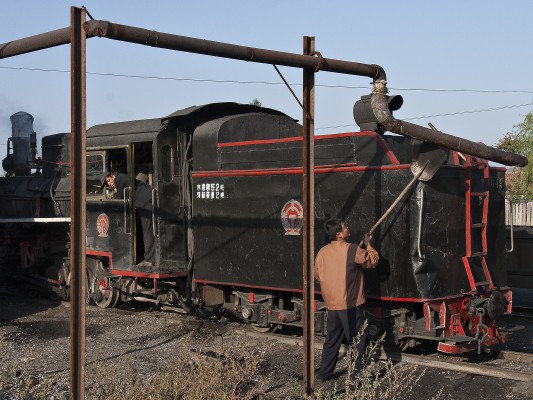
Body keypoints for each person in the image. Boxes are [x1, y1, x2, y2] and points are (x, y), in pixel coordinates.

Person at [314, 218, 379, 381]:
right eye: (345, 227)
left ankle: (324, 373)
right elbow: (372, 261)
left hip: (332, 305)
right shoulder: (352, 249)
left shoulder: (322, 252)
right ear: (339, 235)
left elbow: (316, 275)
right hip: (350, 305)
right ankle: (358, 375)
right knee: (358, 340)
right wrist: (368, 243)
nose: (347, 227)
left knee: (332, 340)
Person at [135, 173, 155, 267]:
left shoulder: (140, 188)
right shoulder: (144, 189)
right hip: (146, 204)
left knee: (147, 232)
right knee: (148, 232)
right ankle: (149, 258)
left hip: (144, 205)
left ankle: (149, 259)